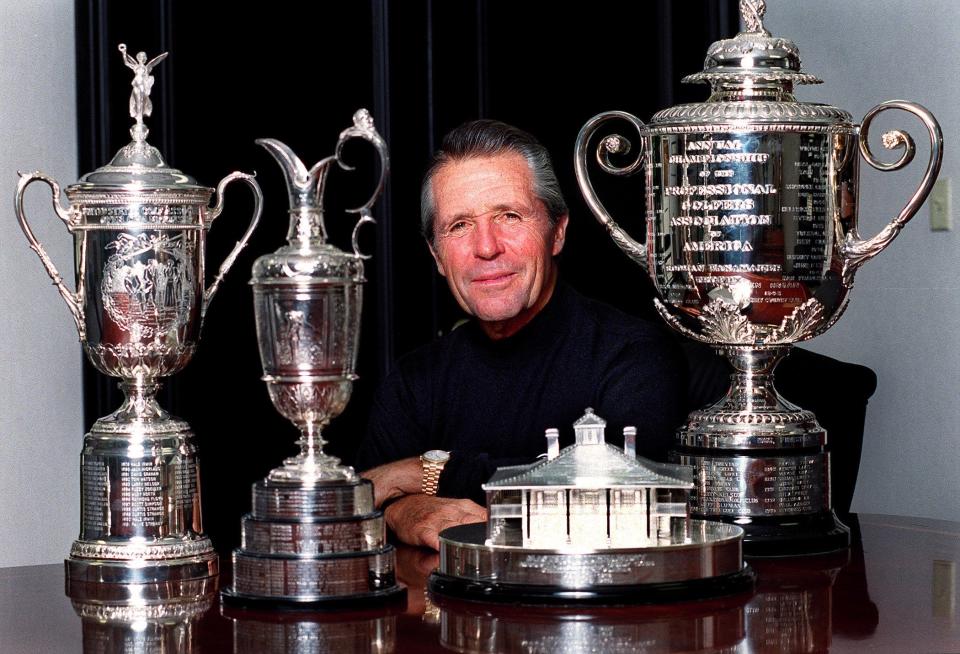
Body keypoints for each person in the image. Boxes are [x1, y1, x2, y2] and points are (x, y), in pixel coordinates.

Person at [356, 120, 686, 549]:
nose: (487, 247)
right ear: (437, 255)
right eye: (459, 226)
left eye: (509, 216)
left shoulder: (634, 356)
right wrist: (406, 510)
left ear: (558, 231)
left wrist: (423, 473)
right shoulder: (414, 380)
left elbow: (614, 499)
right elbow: (362, 500)